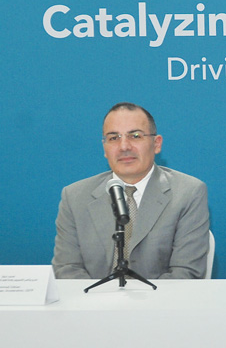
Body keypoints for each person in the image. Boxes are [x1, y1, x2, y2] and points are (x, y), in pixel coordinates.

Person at [52, 102, 210, 279]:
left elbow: (185, 272)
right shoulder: (74, 197)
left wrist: (138, 298)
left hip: (161, 297)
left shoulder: (188, 193)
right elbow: (67, 268)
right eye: (114, 138)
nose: (124, 147)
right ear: (104, 148)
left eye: (135, 136)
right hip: (93, 297)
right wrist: (101, 297)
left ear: (156, 144)